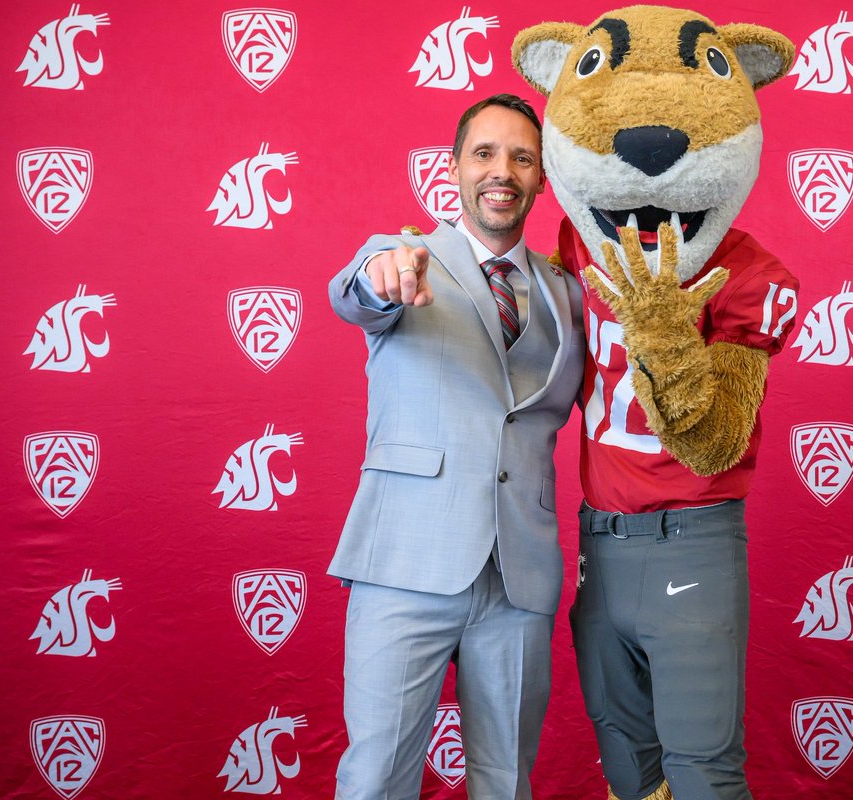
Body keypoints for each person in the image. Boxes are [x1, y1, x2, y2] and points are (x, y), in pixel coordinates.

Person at [327, 93, 584, 800]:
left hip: (519, 577)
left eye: (522, 157)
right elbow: (356, 292)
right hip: (404, 565)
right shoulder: (401, 256)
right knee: (377, 777)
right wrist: (383, 275)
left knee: (505, 784)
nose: (502, 170)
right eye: (484, 153)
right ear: (453, 169)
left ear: (540, 179)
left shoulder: (567, 294)